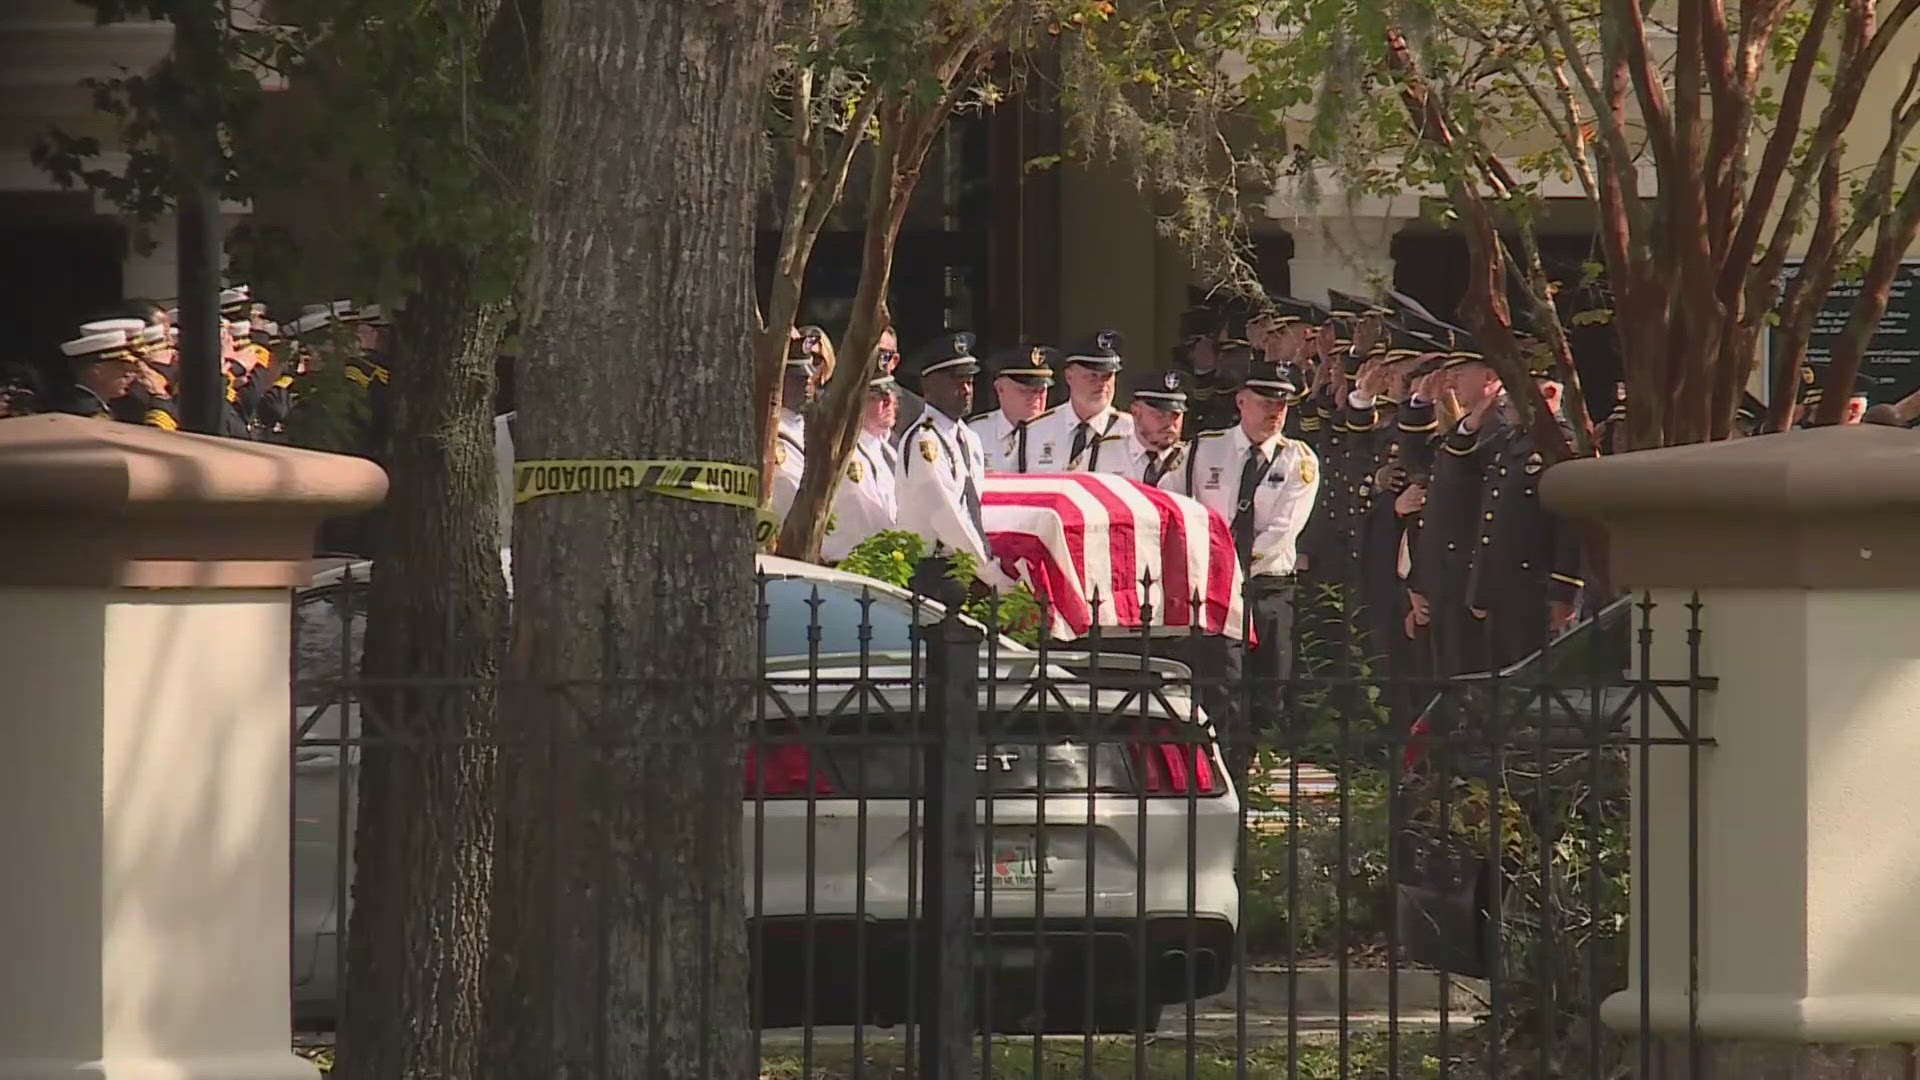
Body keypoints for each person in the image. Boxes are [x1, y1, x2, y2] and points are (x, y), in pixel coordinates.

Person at [1160, 357, 1320, 775]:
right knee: (1221, 684)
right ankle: (1220, 770)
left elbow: (1282, 530)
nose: (1274, 411)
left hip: (1267, 586)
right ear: (1242, 401)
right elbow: (1170, 503)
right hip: (1212, 587)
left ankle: (1254, 767)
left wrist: (1233, 566)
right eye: (1266, 400)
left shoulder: (1297, 460)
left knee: (1270, 686)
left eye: (1283, 404)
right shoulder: (1200, 450)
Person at [895, 332, 1008, 595]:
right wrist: (990, 571)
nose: (967, 390)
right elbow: (946, 513)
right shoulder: (924, 441)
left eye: (969, 381)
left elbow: (974, 507)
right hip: (936, 570)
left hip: (969, 566)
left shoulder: (969, 439)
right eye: (956, 383)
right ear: (929, 387)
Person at [1023, 329, 1133, 471]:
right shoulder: (1036, 431)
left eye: (1107, 376)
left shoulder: (1131, 433)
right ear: (1069, 377)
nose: (1101, 384)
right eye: (1092, 376)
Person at [823, 368, 901, 562]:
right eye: (879, 397)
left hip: (885, 563)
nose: (889, 402)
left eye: (891, 394)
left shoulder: (890, 452)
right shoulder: (842, 451)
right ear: (855, 401)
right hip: (848, 563)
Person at [1092, 368, 1190, 485]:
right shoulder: (1102, 454)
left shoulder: (1191, 460)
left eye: (1176, 415)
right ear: (1135, 411)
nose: (1170, 422)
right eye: (1160, 414)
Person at [968, 343, 1056, 472]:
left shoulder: (1059, 432)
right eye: (1024, 390)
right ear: (1000, 389)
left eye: (1040, 390)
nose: (1035, 397)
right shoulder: (978, 434)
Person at [769, 327, 821, 525]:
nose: (808, 382)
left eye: (809, 376)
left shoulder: (808, 425)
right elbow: (787, 489)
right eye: (798, 378)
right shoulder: (774, 431)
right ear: (781, 380)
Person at [55, 329, 141, 419]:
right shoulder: (83, 410)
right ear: (97, 370)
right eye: (122, 367)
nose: (129, 374)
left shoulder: (98, 406)